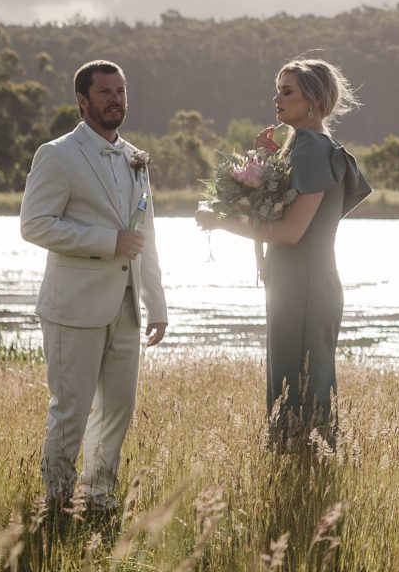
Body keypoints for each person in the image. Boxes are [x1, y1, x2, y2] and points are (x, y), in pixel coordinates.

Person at [19, 60, 166, 518]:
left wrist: (156, 303)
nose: (115, 100)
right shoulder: (57, 154)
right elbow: (35, 224)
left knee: (117, 410)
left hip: (126, 307)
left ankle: (99, 499)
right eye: (105, 92)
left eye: (121, 91)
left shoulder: (136, 158)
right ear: (83, 101)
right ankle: (58, 501)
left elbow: (147, 236)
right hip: (73, 306)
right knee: (71, 411)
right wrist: (107, 243)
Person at [198, 56, 363, 451]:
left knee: (298, 382)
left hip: (304, 284)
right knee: (299, 380)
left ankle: (305, 466)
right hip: (302, 280)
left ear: (313, 99)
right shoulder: (310, 146)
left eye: (287, 91)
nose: (276, 98)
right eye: (277, 89)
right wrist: (266, 169)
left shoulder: (310, 149)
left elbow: (290, 232)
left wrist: (221, 222)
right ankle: (303, 465)